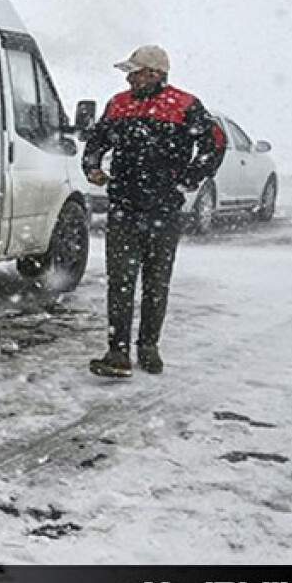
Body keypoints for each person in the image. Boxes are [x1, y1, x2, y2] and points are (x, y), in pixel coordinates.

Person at [82, 45, 224, 377]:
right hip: (124, 207)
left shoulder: (185, 105)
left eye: (135, 71)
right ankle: (117, 353)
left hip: (163, 209)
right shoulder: (118, 104)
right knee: (120, 281)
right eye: (129, 72)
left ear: (156, 74)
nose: (129, 77)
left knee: (156, 282)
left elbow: (214, 143)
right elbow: (97, 141)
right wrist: (92, 167)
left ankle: (148, 348)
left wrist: (187, 180)